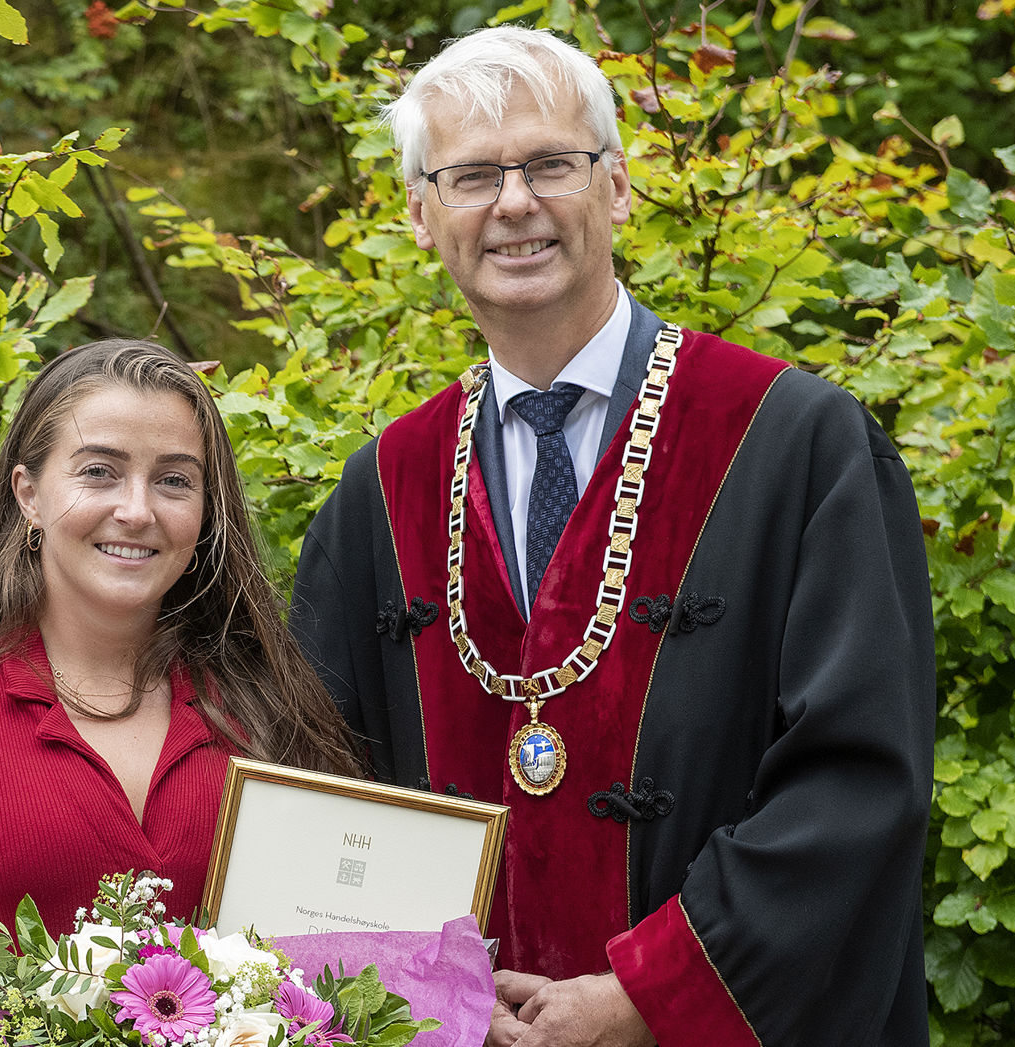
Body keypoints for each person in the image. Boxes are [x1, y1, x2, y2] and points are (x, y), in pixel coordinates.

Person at [288, 25, 935, 1047]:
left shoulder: (794, 443)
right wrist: (419, 992)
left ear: (618, 187)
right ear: (420, 215)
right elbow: (317, 783)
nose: (513, 203)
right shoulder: (385, 486)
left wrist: (655, 992)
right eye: (468, 176)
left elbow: (858, 777)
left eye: (549, 162)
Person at [0, 339, 364, 1046]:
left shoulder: (265, 708)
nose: (136, 510)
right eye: (99, 471)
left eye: (174, 480)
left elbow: (338, 953)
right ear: (28, 492)